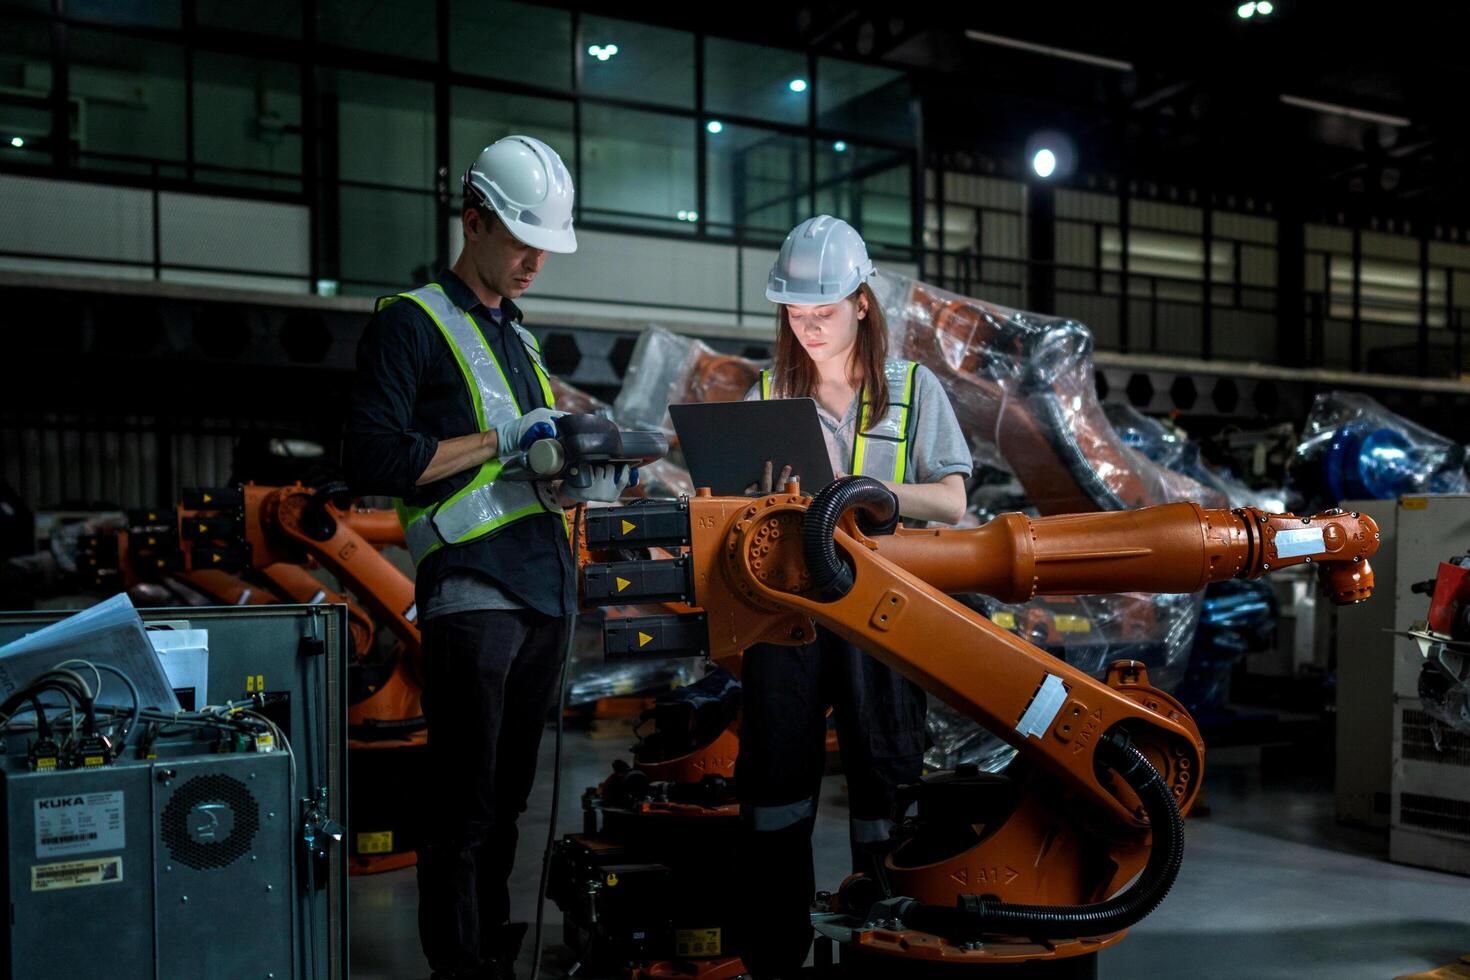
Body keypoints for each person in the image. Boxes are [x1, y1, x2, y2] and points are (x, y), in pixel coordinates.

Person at [344, 134, 632, 980]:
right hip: (473, 591)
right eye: (521, 242)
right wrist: (502, 437)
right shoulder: (410, 324)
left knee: (508, 803)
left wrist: (580, 471)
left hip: (544, 588)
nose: (536, 261)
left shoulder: (523, 341)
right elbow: (376, 458)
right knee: (463, 805)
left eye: (546, 246)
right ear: (473, 222)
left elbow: (529, 465)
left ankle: (490, 950)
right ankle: (459, 966)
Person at [736, 214, 973, 978]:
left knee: (887, 783)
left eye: (823, 313)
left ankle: (883, 946)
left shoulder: (911, 390)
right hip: (789, 619)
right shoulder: (766, 392)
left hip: (884, 618)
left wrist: (869, 493)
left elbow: (952, 502)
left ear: (862, 305)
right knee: (774, 789)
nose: (807, 328)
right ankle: (776, 955)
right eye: (795, 315)